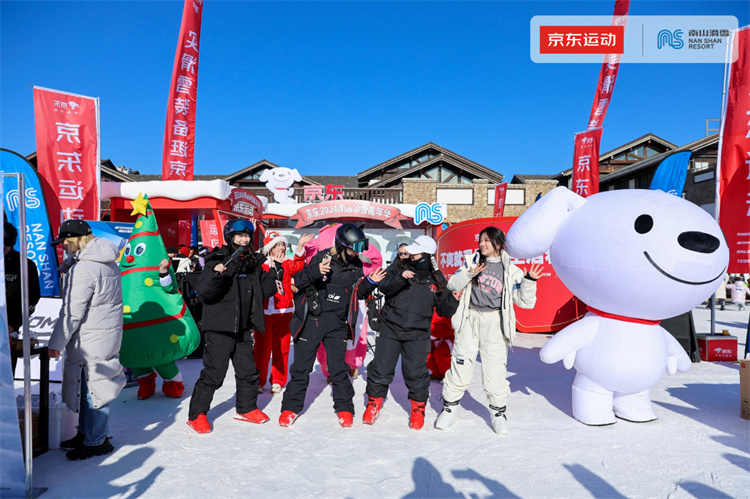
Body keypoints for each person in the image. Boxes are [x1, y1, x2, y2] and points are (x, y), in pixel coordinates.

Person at [434, 226, 541, 435]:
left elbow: (525, 302)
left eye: (487, 240)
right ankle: (449, 409)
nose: (482, 244)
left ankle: (498, 414)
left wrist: (530, 281)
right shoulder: (471, 262)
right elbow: (452, 285)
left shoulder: (511, 271)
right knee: (460, 365)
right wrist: (469, 274)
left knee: (495, 370)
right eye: (481, 240)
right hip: (469, 320)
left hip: (494, 323)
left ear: (498, 243)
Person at [279, 223, 386, 427]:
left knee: (338, 368)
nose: (357, 253)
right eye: (354, 248)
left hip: (337, 323)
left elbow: (356, 293)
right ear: (342, 245)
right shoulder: (322, 257)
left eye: (360, 248)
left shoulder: (355, 264)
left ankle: (345, 408)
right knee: (301, 368)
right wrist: (315, 271)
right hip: (312, 321)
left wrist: (370, 283)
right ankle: (290, 408)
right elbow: (298, 282)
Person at [187, 219, 278, 434]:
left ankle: (247, 408)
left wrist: (274, 271)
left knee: (249, 372)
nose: (244, 239)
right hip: (219, 328)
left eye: (247, 236)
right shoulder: (217, 259)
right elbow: (204, 292)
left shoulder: (252, 263)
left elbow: (266, 291)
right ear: (230, 237)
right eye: (240, 236)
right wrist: (218, 274)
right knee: (214, 374)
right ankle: (196, 415)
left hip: (243, 328)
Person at [47, 220, 126, 460]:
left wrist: (56, 343)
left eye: (65, 241)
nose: (63, 246)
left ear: (75, 239)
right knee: (92, 387)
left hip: (90, 337)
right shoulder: (107, 262)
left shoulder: (83, 268)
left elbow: (72, 312)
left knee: (92, 391)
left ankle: (96, 441)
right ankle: (87, 434)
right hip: (104, 334)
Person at [363, 235, 459, 429]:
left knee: (416, 373)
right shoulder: (400, 266)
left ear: (426, 255)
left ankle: (418, 408)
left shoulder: (436, 277)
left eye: (416, 253)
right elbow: (384, 287)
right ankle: (374, 403)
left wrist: (453, 300)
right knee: (381, 368)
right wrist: (400, 277)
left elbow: (443, 310)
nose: (411, 255)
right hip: (390, 328)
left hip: (418, 333)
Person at [254, 231, 312, 394]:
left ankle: (278, 380)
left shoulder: (287, 263)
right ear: (270, 248)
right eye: (277, 245)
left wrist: (300, 246)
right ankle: (258, 380)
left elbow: (298, 266)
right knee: (261, 348)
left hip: (284, 311)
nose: (281, 248)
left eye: (283, 245)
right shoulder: (261, 265)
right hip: (264, 312)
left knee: (281, 347)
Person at [4, 222, 41, 373]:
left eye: (7, 246)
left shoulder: (24, 264)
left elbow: (33, 297)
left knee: (5, 373)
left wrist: (13, 323)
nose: (3, 249)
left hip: (8, 329)